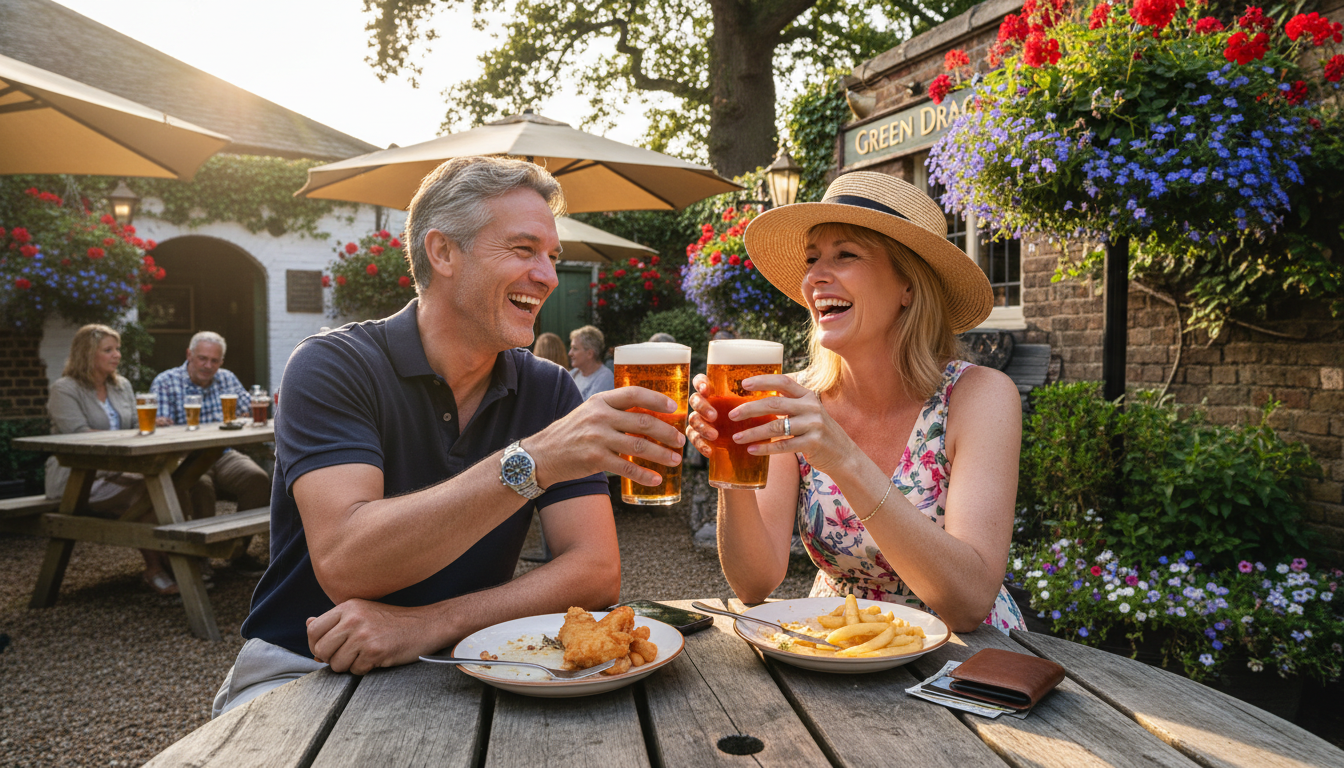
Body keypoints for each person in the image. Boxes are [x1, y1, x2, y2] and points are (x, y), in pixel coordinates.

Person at [213, 155, 685, 716]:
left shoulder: (548, 389)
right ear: (442, 253)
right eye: (522, 249)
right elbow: (347, 563)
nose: (549, 275)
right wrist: (532, 461)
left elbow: (595, 572)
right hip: (307, 667)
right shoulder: (332, 365)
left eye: (552, 257)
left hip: (482, 662)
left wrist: (429, 623)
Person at [685, 172, 1026, 634]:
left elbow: (967, 602)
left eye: (845, 255)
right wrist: (729, 457)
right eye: (811, 259)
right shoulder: (793, 398)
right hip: (838, 650)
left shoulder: (977, 396)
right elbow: (754, 583)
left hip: (963, 663)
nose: (814, 277)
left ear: (908, 286)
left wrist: (843, 457)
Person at [44, 324, 212, 595]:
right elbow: (78, 436)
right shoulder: (64, 389)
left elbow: (136, 423)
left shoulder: (121, 386)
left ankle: (177, 563)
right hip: (78, 477)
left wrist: (154, 423)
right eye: (108, 350)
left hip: (120, 471)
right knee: (153, 492)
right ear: (87, 354)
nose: (117, 355)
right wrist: (131, 432)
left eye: (117, 349)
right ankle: (164, 567)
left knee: (174, 484)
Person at [150, 331, 272, 516]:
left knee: (258, 479)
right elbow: (161, 429)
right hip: (185, 457)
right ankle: (204, 544)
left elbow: (250, 411)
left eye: (215, 361)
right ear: (189, 355)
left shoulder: (227, 378)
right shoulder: (166, 382)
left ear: (221, 362)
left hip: (222, 453)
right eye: (202, 358)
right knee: (199, 486)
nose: (208, 365)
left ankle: (237, 543)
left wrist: (246, 417)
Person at [567, 325, 614, 398]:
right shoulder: (573, 374)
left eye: (575, 349)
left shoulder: (605, 378)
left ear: (590, 354)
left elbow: (591, 408)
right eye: (571, 348)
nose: (570, 353)